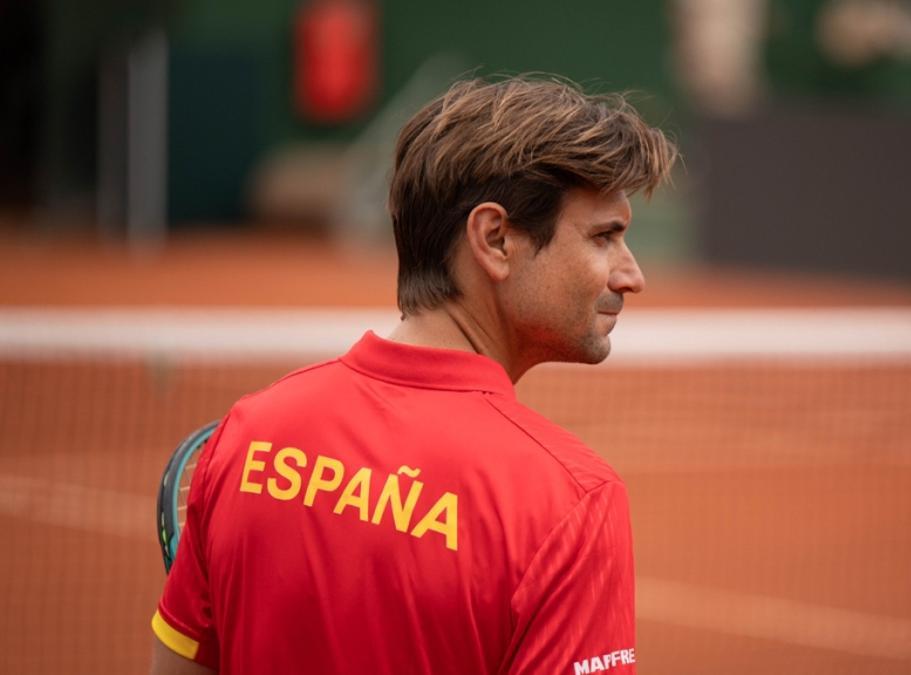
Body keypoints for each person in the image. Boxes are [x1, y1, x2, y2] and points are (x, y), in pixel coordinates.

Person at [149, 75, 677, 675]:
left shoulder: (247, 435)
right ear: (495, 240)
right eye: (604, 237)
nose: (631, 276)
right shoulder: (573, 501)